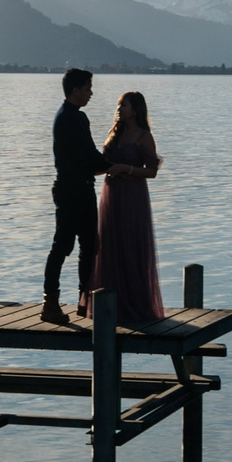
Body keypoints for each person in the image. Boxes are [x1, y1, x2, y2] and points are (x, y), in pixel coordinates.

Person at [91, 91, 166, 324]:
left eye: (124, 105)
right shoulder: (115, 133)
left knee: (130, 244)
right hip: (111, 194)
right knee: (110, 244)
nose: (119, 109)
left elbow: (152, 171)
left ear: (136, 109)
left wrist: (126, 169)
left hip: (133, 196)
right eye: (119, 105)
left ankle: (135, 303)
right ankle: (110, 303)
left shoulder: (144, 136)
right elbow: (104, 163)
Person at [42, 67, 107, 325]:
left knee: (86, 245)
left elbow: (88, 157)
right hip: (73, 190)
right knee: (66, 246)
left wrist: (106, 165)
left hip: (76, 187)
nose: (91, 93)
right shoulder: (73, 118)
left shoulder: (69, 116)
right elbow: (89, 156)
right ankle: (53, 303)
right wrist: (116, 167)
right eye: (88, 88)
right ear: (76, 90)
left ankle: (82, 299)